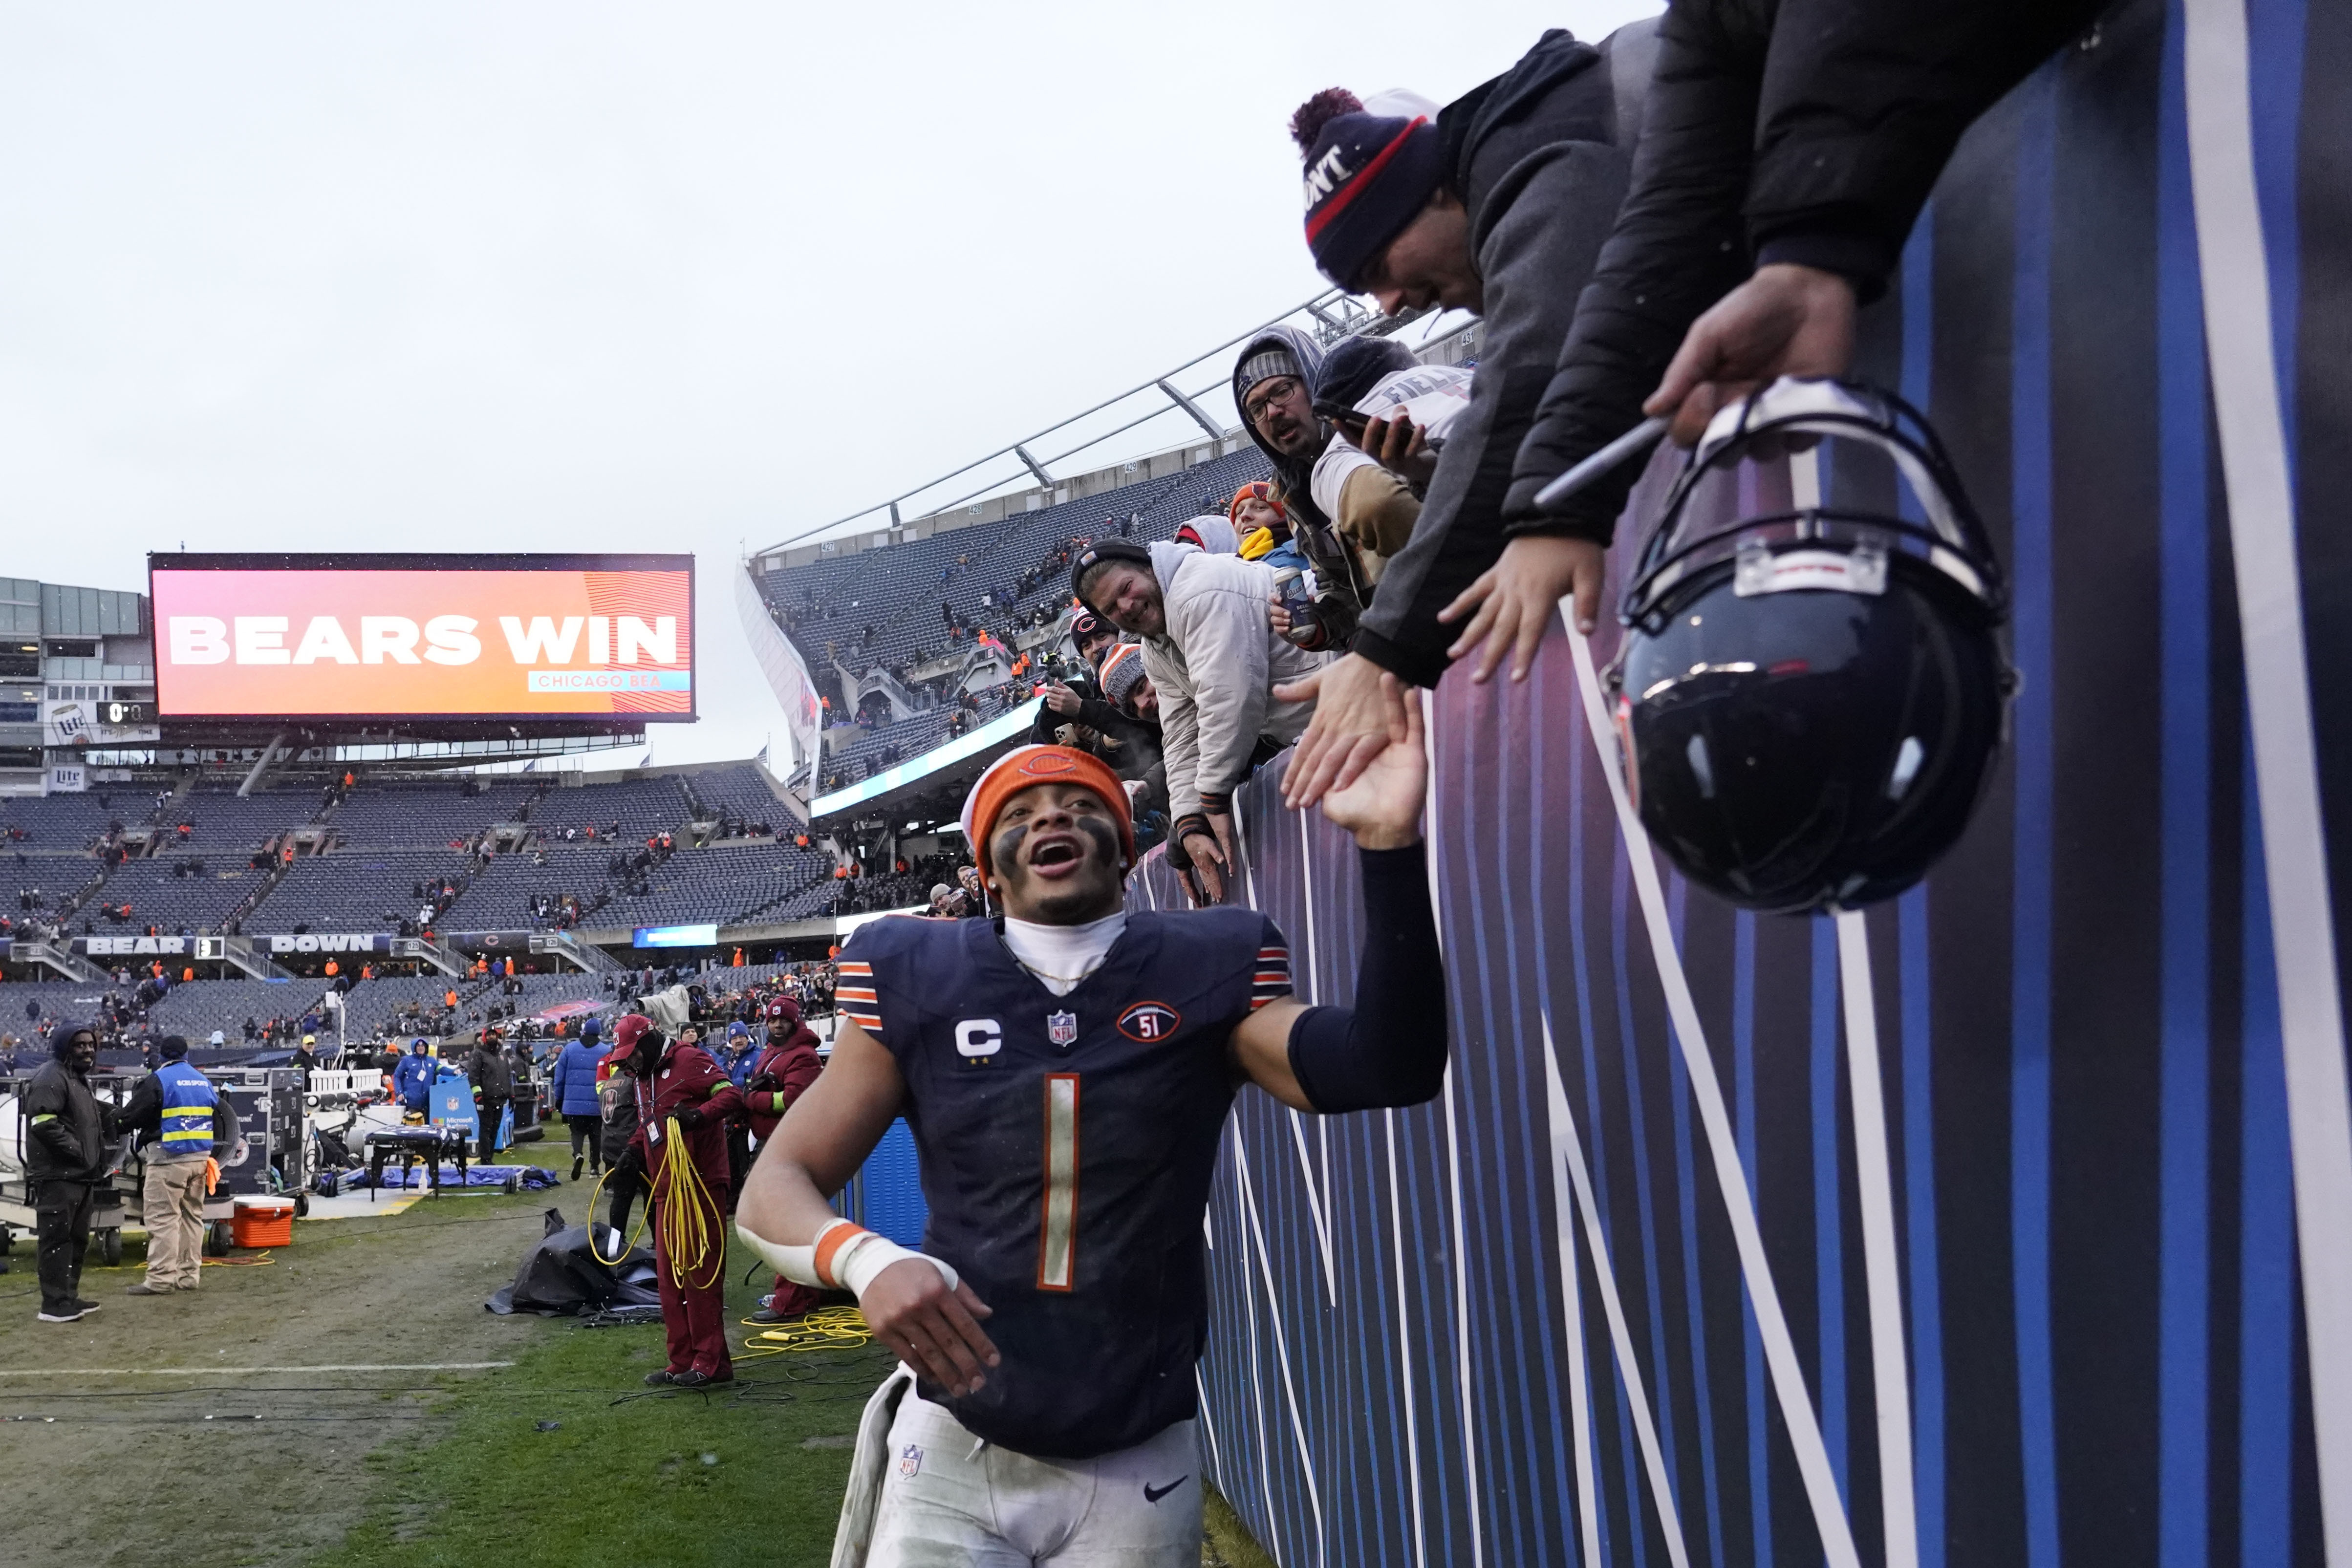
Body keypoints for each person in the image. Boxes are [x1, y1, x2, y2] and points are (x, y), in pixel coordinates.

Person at [736, 706, 1445, 1567]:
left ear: (1120, 841)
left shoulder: (1208, 963)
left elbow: (1385, 1066)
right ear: (985, 871)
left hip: (1134, 1446)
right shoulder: (918, 974)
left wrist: (1389, 847)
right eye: (1020, 814)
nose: (1051, 817)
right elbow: (776, 1185)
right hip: (958, 1436)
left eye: (1078, 802)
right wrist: (865, 1259)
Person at [1440, 0, 2118, 692]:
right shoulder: (1706, 25)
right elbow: (1671, 220)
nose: (1388, 305)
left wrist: (1810, 247)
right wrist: (1556, 505)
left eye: (1375, 268)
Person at [1272, 21, 1662, 804]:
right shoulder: (1525, 160)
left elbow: (1535, 383)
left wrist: (1385, 649)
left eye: (1380, 266)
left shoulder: (1535, 155)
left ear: (1436, 189)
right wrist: (1432, 467)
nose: (1389, 303)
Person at [1071, 537, 1327, 905]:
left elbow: (1230, 700)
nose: (1125, 606)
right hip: (1321, 723)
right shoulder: (1153, 647)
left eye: (1126, 588)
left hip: (1353, 706)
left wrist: (1210, 797)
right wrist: (1189, 819)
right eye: (1111, 607)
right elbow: (1179, 733)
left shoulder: (1199, 589)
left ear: (1147, 568)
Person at [602, 1013, 744, 1388]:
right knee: (669, 1278)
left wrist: (699, 1115)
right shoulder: (642, 1077)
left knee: (700, 1274)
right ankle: (682, 1360)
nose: (629, 1062)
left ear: (649, 1042)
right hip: (667, 1186)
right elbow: (651, 1123)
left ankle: (711, 1363)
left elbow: (731, 1094)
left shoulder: (690, 1060)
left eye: (632, 1054)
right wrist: (632, 1153)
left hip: (700, 1183)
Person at [118, 1035, 232, 1296]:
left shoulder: (159, 1079)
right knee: (192, 1218)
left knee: (163, 1220)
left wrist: (118, 1124)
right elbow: (215, 1112)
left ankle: (159, 1280)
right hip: (201, 1160)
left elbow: (133, 1115)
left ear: (161, 1056)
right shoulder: (203, 1081)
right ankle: (189, 1276)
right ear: (186, 1054)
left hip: (168, 1159)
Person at [742, 995, 827, 1326]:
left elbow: (793, 1099)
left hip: (789, 1146)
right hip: (772, 1142)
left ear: (795, 1021)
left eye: (783, 1020)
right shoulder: (772, 1052)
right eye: (772, 1020)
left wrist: (753, 1099)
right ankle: (803, 1296)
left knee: (782, 1226)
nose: (777, 1024)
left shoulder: (803, 1055)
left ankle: (788, 1301)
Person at [24, 1019, 116, 1323]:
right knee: (56, 1240)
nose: (88, 1050)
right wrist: (80, 1153)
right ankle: (53, 1304)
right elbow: (43, 1124)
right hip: (59, 1176)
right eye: (80, 1045)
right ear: (64, 1047)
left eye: (91, 1045)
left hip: (78, 1175)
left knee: (75, 1240)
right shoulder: (50, 1077)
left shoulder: (75, 1077)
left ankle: (68, 1296)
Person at [550, 1018, 608, 1182]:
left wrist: (559, 1099)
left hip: (573, 1103)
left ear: (583, 1031)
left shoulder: (569, 1049)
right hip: (597, 1103)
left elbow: (559, 1078)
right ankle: (595, 1168)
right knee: (596, 1136)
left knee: (576, 1133)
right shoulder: (606, 1051)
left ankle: (578, 1154)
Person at [392, 1038, 433, 1117]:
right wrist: (399, 1092)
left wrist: (454, 1072)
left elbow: (441, 1069)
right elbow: (397, 1076)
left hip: (428, 1103)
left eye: (423, 1046)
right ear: (414, 1048)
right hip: (411, 1102)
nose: (421, 1048)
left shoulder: (432, 1061)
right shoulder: (406, 1060)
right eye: (418, 1046)